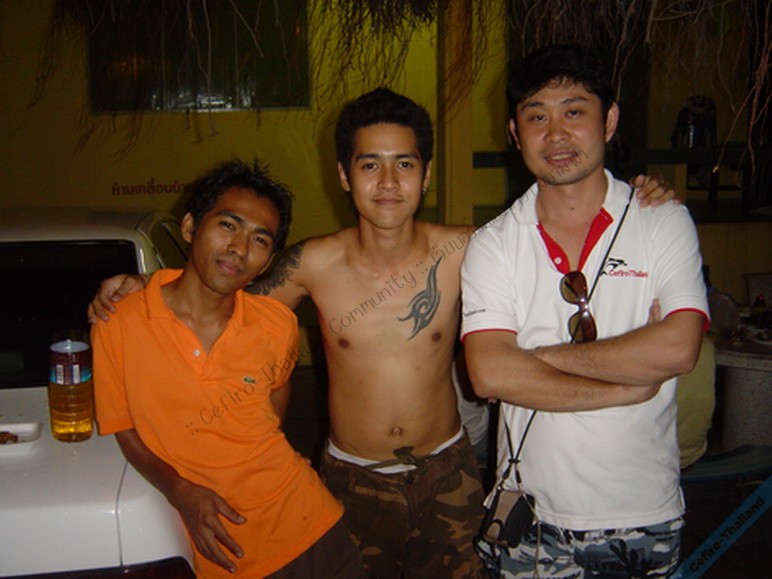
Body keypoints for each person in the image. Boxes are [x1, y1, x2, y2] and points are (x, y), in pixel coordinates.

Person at [88, 89, 678, 578]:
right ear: (344, 176)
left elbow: (559, 224)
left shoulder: (468, 248)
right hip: (352, 480)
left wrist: (636, 197)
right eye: (370, 164)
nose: (389, 181)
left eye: (405, 164)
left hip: (448, 474)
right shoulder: (312, 264)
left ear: (426, 174)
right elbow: (225, 289)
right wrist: (147, 286)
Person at [460, 45, 708, 578]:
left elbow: (679, 347)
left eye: (574, 112)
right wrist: (627, 386)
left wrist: (537, 357)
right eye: (537, 117)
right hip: (530, 519)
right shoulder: (494, 243)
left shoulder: (662, 222)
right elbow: (490, 373)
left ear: (609, 120)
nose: (556, 134)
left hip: (642, 514)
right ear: (514, 133)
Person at [91, 160, 364, 578]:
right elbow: (124, 429)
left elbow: (273, 412)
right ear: (190, 227)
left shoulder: (277, 325)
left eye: (260, 239)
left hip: (311, 530)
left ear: (268, 261)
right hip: (219, 548)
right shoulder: (119, 321)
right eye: (228, 225)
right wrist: (180, 490)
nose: (240, 248)